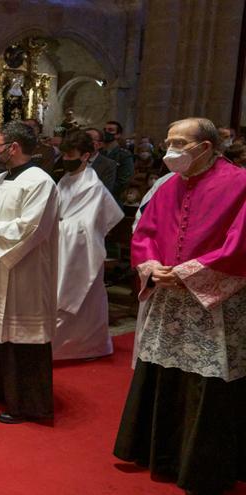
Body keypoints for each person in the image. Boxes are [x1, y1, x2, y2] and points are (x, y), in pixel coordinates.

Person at [114, 118, 246, 495]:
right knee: (164, 372)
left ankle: (201, 465)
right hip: (168, 293)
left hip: (213, 299)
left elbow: (240, 244)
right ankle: (160, 453)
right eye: (168, 140)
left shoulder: (240, 183)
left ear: (205, 147)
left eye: (179, 143)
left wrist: (187, 273)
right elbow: (145, 232)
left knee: (208, 378)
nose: (170, 150)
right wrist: (151, 266)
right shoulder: (169, 185)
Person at [0, 120, 60, 424]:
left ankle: (26, 403)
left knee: (18, 332)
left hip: (22, 272)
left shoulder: (40, 183)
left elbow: (31, 228)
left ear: (14, 148)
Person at [51, 131, 123, 361]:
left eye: (70, 154)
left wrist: (58, 228)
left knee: (81, 300)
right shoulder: (64, 180)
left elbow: (88, 224)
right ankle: (61, 347)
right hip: (61, 246)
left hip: (81, 250)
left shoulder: (93, 186)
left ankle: (89, 346)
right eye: (63, 153)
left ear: (85, 156)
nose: (65, 158)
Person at [101, 121, 135, 200]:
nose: (106, 132)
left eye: (110, 130)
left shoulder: (124, 155)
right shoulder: (99, 152)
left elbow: (123, 181)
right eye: (105, 130)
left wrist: (103, 190)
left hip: (112, 197)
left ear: (118, 135)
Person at [83, 128, 118, 194]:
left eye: (89, 140)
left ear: (99, 145)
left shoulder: (108, 164)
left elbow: (105, 190)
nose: (84, 143)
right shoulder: (75, 159)